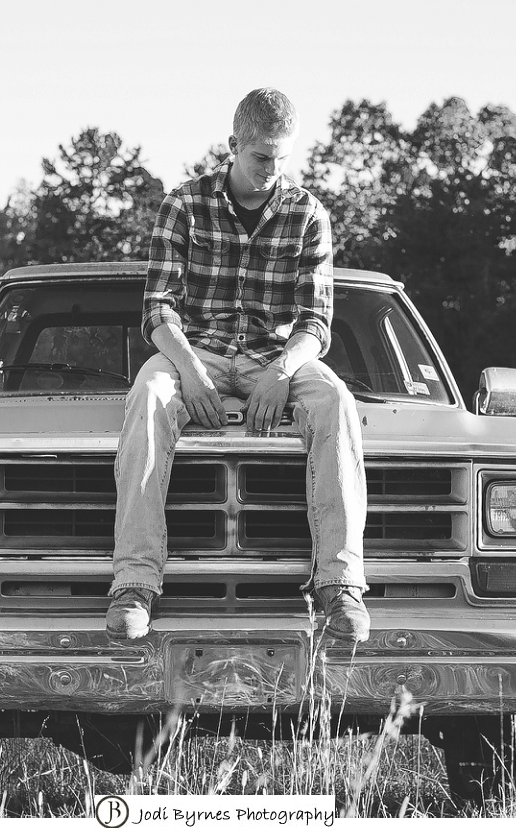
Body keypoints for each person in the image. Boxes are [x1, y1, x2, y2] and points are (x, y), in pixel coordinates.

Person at [107, 87, 369, 642]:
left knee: (336, 400)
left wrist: (279, 372)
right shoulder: (183, 204)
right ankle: (135, 585)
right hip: (191, 349)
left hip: (277, 357)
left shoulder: (308, 215)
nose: (272, 171)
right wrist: (192, 371)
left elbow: (315, 323)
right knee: (148, 395)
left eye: (282, 159)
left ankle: (339, 585)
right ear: (233, 145)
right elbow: (158, 311)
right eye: (260, 158)